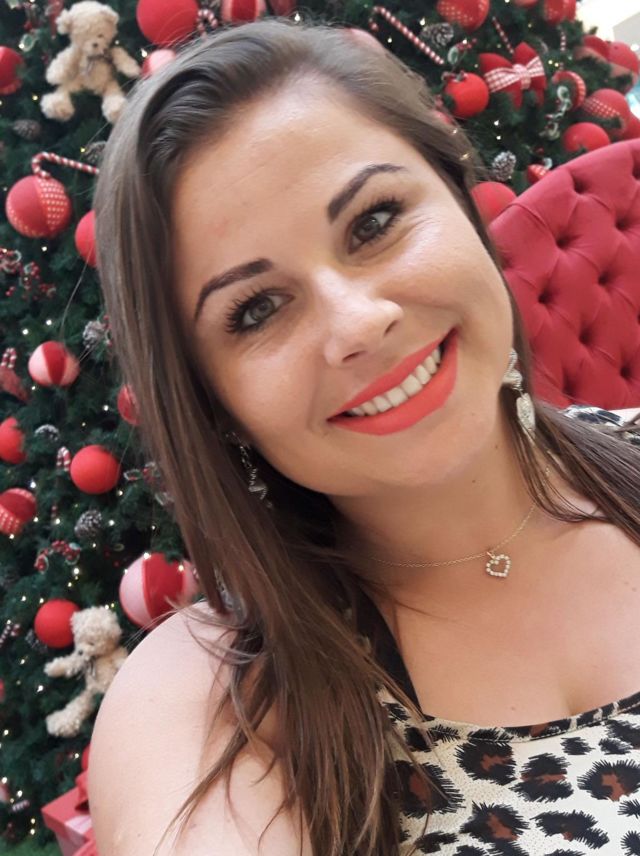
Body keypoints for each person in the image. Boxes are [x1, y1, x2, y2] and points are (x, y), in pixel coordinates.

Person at [87, 16, 640, 856]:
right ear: (213, 401)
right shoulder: (216, 700)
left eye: (375, 221)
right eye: (257, 310)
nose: (357, 323)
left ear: (460, 199)